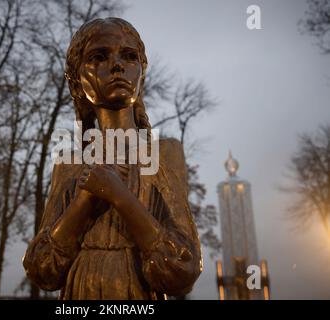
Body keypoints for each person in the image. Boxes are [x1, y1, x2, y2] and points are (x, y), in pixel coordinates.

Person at [23, 17, 202, 300]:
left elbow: (183, 269)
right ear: (77, 79)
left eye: (130, 56)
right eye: (99, 56)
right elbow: (43, 270)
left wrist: (120, 196)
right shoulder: (69, 164)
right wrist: (83, 202)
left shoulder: (164, 153)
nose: (118, 65)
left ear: (141, 73)